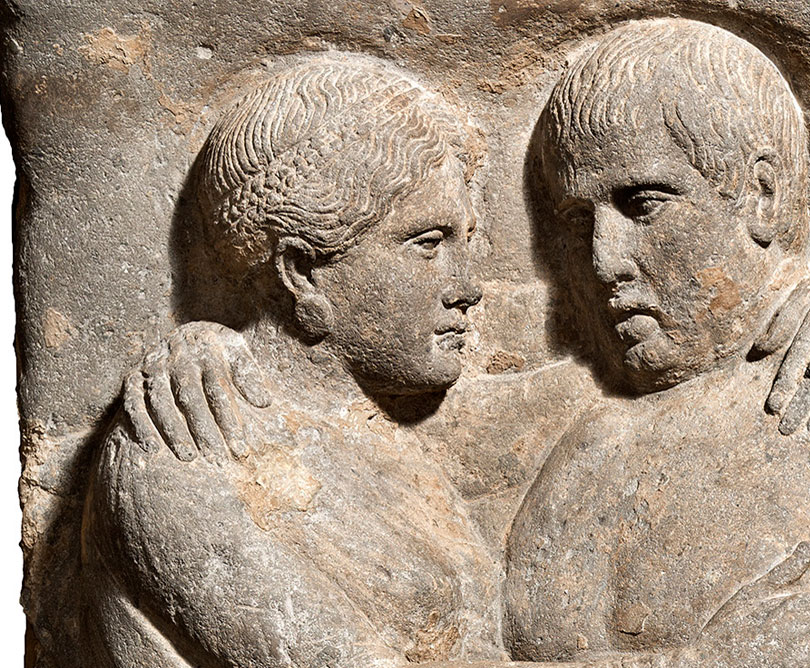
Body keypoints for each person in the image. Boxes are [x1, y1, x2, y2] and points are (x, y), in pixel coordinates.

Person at [505, 17, 810, 667]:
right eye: (577, 219)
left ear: (761, 196)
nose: (604, 259)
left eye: (643, 202)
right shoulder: (567, 418)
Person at [82, 54, 505, 668]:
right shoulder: (182, 444)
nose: (469, 285)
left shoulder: (376, 434)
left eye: (468, 242)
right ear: (302, 272)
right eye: (428, 244)